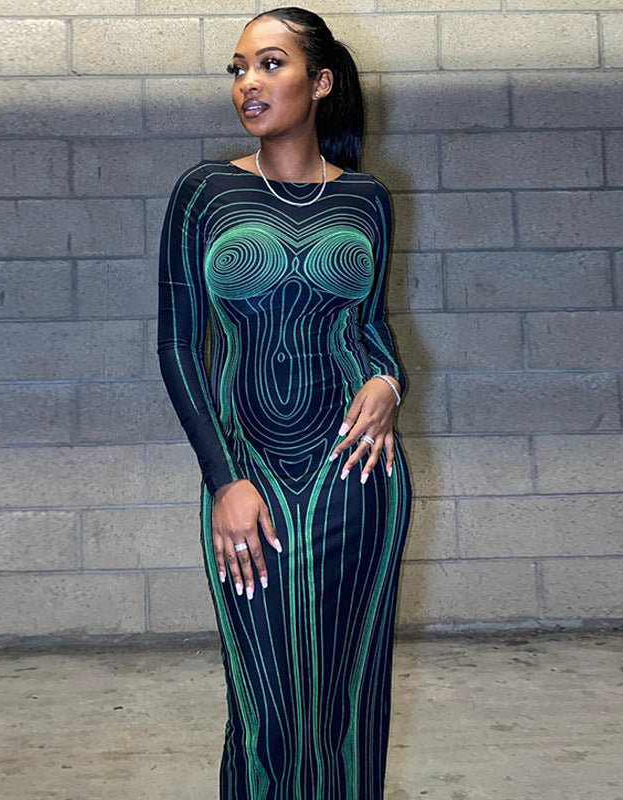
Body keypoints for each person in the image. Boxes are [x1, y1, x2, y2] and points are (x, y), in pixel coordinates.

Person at [156, 6, 413, 798]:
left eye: (270, 64)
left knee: (346, 704)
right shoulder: (204, 191)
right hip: (249, 484)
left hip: (358, 479)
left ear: (320, 81)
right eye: (238, 69)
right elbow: (177, 347)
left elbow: (372, 328)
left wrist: (389, 382)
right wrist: (223, 482)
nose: (248, 83)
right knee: (264, 708)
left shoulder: (367, 198)